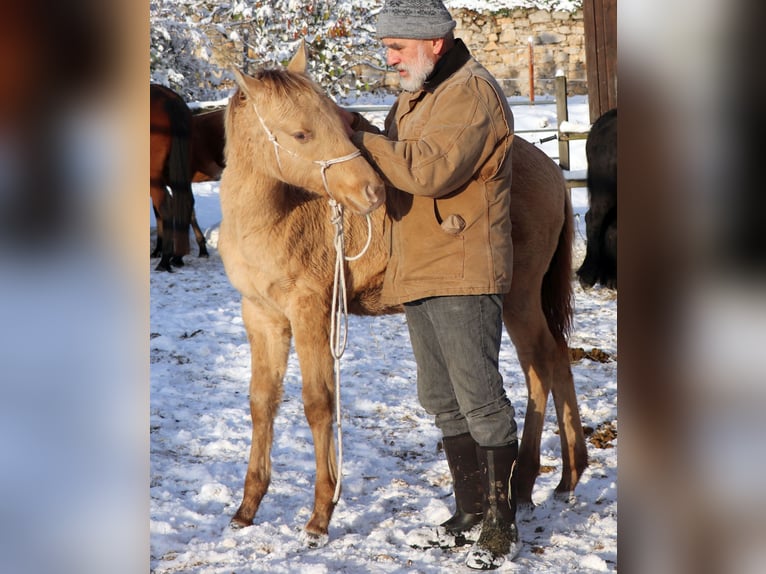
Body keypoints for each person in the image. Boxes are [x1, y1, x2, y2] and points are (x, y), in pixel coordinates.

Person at [337, 0, 521, 569]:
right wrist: (358, 129)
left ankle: (500, 521)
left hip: (463, 266)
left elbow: (429, 170)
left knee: (479, 396)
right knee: (440, 398)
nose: (389, 58)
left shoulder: (469, 93)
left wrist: (362, 139)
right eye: (387, 47)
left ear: (434, 44)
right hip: (419, 264)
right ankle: (469, 511)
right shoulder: (420, 94)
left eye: (397, 47)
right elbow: (403, 157)